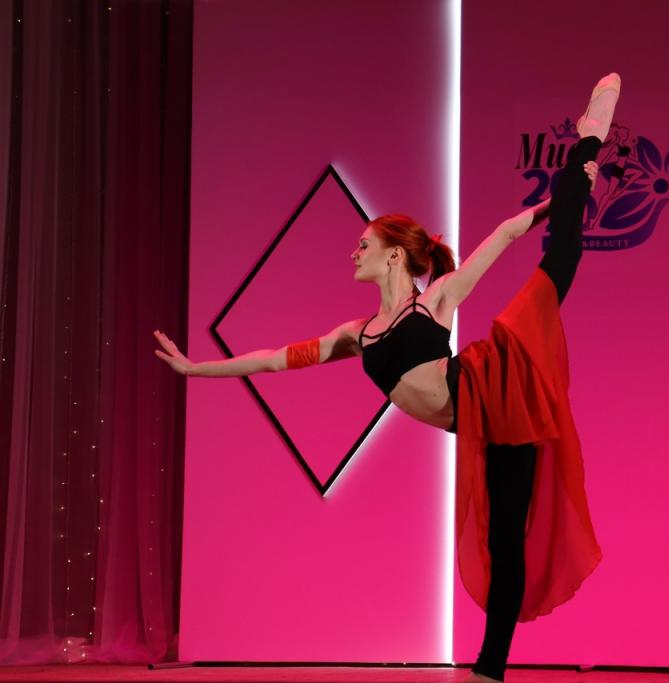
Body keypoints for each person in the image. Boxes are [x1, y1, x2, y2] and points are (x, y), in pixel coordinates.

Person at [155, 73, 621, 682]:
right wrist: (197, 368)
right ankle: (492, 670)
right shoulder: (357, 333)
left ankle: (587, 143)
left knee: (557, 264)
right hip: (483, 422)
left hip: (493, 385)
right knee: (504, 541)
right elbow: (274, 358)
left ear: (394, 254)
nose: (354, 253)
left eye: (363, 244)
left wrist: (558, 203)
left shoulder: (437, 300)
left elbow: (507, 234)